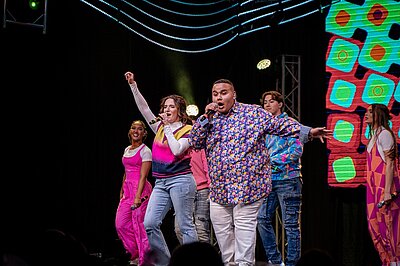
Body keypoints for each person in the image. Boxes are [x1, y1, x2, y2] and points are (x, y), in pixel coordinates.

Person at [188, 79, 331, 266]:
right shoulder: (210, 118)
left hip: (248, 187)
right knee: (223, 235)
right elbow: (195, 142)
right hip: (220, 188)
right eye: (215, 94)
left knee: (244, 232)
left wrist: (310, 132)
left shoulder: (252, 113)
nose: (219, 97)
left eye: (224, 93)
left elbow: (282, 126)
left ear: (234, 94)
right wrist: (206, 117)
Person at [124, 71, 198, 266]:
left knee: (185, 226)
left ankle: (193, 262)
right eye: (164, 107)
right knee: (149, 224)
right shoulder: (160, 127)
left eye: (170, 107)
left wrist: (166, 129)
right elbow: (144, 108)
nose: (166, 110)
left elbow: (176, 150)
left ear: (179, 110)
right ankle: (165, 263)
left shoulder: (188, 130)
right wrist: (133, 85)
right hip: (161, 182)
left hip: (181, 180)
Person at [257, 91, 324, 266]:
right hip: (268, 180)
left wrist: (272, 161)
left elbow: (296, 151)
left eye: (272, 101)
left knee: (290, 225)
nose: (268, 105)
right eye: (265, 102)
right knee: (262, 219)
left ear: (280, 104)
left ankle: (293, 262)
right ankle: (275, 260)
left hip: (289, 179)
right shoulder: (263, 126)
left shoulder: (290, 124)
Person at [364, 103, 400, 266]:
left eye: (370, 112)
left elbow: (390, 163)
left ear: (379, 114)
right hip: (374, 188)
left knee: (389, 228)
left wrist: (387, 192)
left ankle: (395, 261)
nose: (366, 115)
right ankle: (387, 261)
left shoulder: (385, 134)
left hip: (384, 187)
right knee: (376, 228)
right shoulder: (374, 136)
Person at [115, 119, 153, 266]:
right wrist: (121, 190)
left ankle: (145, 261)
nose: (136, 131)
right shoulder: (127, 149)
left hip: (141, 191)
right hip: (128, 191)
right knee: (121, 224)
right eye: (133, 128)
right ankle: (135, 254)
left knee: (139, 226)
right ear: (130, 131)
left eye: (139, 129)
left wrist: (137, 196)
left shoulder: (145, 151)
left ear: (144, 133)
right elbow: (125, 172)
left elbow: (143, 176)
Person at [174, 143, 211, 244]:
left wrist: (211, 187)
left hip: (201, 190)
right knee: (179, 229)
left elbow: (208, 168)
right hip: (183, 191)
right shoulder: (177, 148)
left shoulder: (200, 148)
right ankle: (191, 256)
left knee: (201, 231)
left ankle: (205, 259)